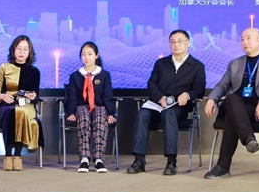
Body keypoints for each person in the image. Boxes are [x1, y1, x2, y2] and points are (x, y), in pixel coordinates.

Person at [203, 28, 259, 179]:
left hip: (258, 109)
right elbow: (222, 85)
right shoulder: (235, 63)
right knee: (231, 99)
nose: (245, 42)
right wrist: (211, 99)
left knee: (232, 117)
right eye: (242, 39)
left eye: (248, 38)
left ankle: (223, 167)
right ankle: (249, 139)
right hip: (235, 104)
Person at [127, 30, 206, 175]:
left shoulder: (196, 66)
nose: (176, 45)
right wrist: (160, 97)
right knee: (142, 114)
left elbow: (199, 90)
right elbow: (151, 84)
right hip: (158, 105)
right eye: (173, 42)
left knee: (169, 113)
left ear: (188, 43)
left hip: (178, 108)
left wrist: (187, 95)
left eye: (180, 41)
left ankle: (171, 162)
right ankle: (139, 160)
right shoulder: (161, 63)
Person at [0, 35, 41, 171]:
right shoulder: (3, 68)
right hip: (6, 105)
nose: (22, 52)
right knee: (11, 112)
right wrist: (1, 96)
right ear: (13, 50)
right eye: (19, 48)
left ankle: (17, 155)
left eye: (25, 49)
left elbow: (36, 95)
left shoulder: (34, 71)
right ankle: (8, 155)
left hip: (26, 106)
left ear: (30, 52)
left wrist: (33, 96)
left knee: (21, 112)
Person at [65, 42, 115, 173]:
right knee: (84, 118)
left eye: (90, 54)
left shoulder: (104, 75)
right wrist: (71, 112)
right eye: (83, 54)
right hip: (81, 106)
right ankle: (84, 158)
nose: (86, 57)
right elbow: (72, 97)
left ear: (96, 56)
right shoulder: (75, 76)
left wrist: (111, 113)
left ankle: (99, 159)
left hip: (99, 106)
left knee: (99, 119)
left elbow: (108, 96)